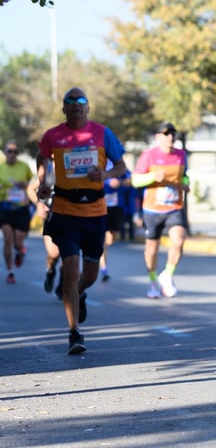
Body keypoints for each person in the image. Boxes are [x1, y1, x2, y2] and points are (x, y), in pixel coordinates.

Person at [36, 88, 127, 355]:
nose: (76, 105)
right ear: (64, 109)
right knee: (71, 271)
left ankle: (79, 293)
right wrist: (43, 182)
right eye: (70, 101)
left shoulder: (102, 133)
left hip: (95, 213)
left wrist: (105, 173)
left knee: (89, 275)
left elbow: (121, 165)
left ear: (88, 108)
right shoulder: (53, 136)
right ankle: (74, 333)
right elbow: (42, 157)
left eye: (81, 101)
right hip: (65, 212)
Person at [132, 122, 189, 299]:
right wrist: (151, 177)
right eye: (166, 133)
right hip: (152, 209)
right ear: (158, 137)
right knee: (152, 248)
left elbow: (185, 176)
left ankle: (167, 274)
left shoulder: (181, 155)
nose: (170, 137)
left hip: (175, 207)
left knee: (178, 241)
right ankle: (152, 281)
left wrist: (186, 184)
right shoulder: (148, 155)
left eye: (173, 133)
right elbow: (135, 181)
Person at [0, 140, 34, 284]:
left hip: (21, 208)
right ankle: (10, 271)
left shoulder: (24, 167)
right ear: (5, 152)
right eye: (10, 151)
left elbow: (33, 184)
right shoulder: (1, 168)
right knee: (8, 238)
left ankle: (20, 251)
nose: (13, 154)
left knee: (18, 241)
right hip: (5, 207)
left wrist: (25, 185)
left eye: (15, 152)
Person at [26, 174, 61, 296]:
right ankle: (51, 271)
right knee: (54, 253)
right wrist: (39, 204)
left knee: (70, 255)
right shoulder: (48, 173)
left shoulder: (74, 169)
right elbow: (30, 188)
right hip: (50, 217)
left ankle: (63, 282)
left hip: (70, 216)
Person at [99, 162, 131, 281]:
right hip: (100, 206)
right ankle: (104, 268)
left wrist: (120, 183)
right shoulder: (98, 161)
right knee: (102, 240)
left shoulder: (118, 164)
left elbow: (130, 180)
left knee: (111, 239)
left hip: (116, 206)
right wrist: (107, 182)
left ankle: (101, 258)